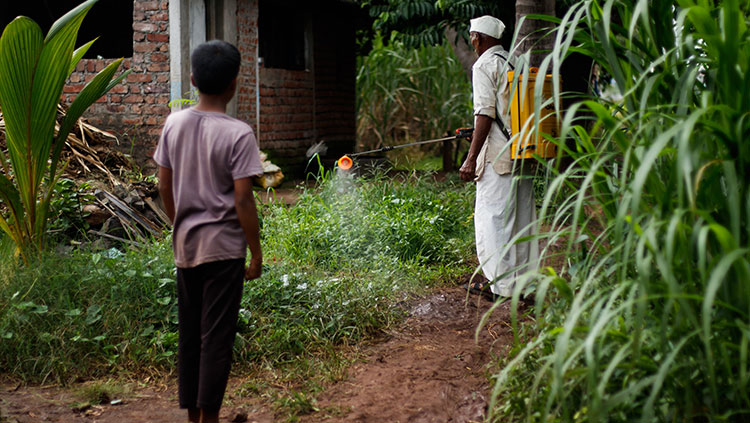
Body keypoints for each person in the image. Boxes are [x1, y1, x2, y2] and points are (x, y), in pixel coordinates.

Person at [153, 40, 264, 423]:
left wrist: (178, 223)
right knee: (215, 338)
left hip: (186, 246)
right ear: (235, 83)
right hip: (223, 250)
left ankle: (193, 418)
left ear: (193, 79)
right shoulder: (238, 133)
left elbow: (164, 186)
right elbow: (243, 200)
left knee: (189, 335)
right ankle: (210, 419)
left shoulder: (174, 123)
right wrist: (257, 252)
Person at [459, 16, 538, 300]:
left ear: (479, 38)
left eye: (472, 36)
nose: (472, 41)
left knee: (493, 221)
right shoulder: (516, 62)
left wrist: (470, 158)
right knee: (522, 221)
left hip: (498, 158)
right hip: (524, 152)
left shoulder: (483, 65)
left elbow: (485, 113)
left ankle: (501, 288)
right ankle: (525, 286)